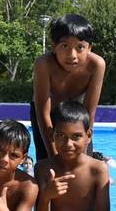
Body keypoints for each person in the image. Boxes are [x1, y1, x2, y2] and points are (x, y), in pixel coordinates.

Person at [31, 14, 105, 161]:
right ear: (53, 46)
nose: (72, 55)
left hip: (77, 115)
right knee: (47, 164)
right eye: (65, 46)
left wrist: (82, 159)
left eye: (80, 47)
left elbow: (89, 112)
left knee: (84, 165)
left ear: (89, 48)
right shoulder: (44, 64)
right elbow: (42, 112)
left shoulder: (96, 65)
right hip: (48, 116)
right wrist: (54, 158)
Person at [34, 101, 110, 211]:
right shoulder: (42, 168)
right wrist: (46, 196)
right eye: (61, 135)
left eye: (76, 136)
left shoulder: (98, 170)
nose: (68, 144)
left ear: (89, 136)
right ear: (51, 135)